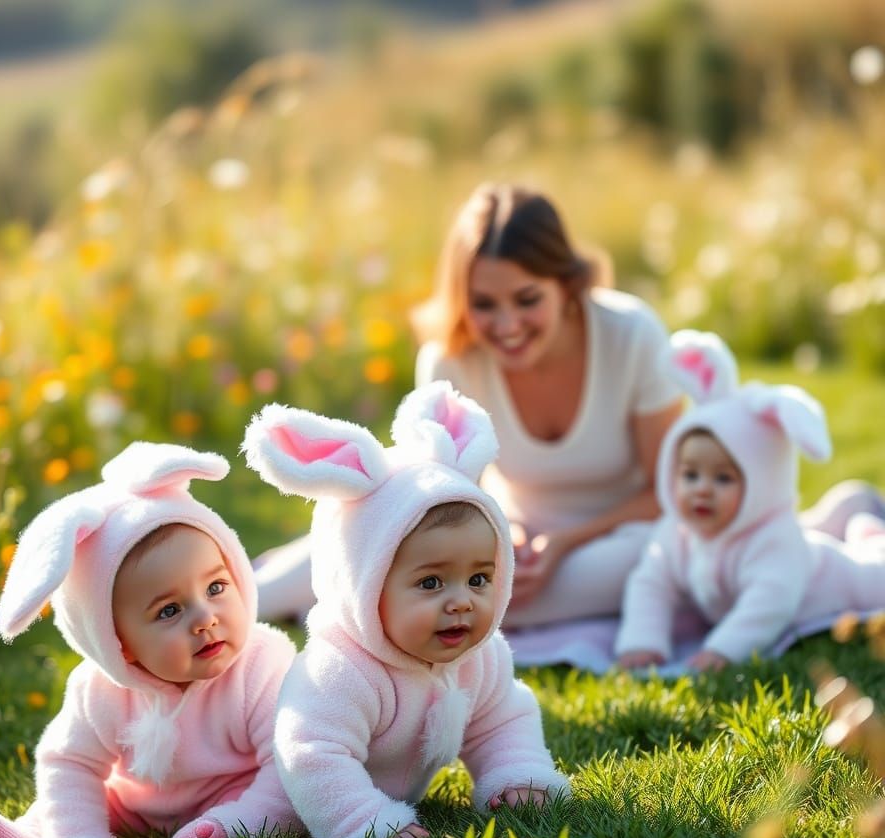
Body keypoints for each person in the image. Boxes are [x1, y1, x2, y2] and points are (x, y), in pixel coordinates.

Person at [253, 182, 684, 626]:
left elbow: (670, 489)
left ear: (568, 284)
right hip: (504, 534)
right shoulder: (449, 359)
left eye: (527, 299)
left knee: (641, 565)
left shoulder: (631, 335)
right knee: (382, 538)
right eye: (483, 304)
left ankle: (346, 603)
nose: (507, 325)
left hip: (622, 535)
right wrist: (502, 537)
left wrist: (566, 542)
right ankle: (252, 597)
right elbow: (444, 498)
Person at [243, 381, 569, 838]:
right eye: (432, 583)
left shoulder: (481, 656)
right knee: (265, 817)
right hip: (291, 784)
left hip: (385, 785)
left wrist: (515, 772)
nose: (461, 602)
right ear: (364, 582)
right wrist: (363, 821)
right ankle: (225, 825)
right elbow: (310, 754)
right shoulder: (339, 669)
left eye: (479, 579)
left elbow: (500, 718)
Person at [0, 442, 299, 838]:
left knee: (279, 788)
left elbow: (289, 763)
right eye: (169, 611)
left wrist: (240, 820)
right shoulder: (99, 689)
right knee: (70, 800)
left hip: (233, 794)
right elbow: (69, 761)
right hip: (134, 803)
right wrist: (80, 837)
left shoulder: (262, 665)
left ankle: (228, 835)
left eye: (215, 588)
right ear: (118, 643)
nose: (205, 619)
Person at [616, 331, 885, 672]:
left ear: (761, 483)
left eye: (723, 478)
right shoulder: (676, 533)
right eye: (690, 475)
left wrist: (723, 650)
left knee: (876, 578)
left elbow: (769, 604)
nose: (702, 489)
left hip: (830, 580)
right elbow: (650, 583)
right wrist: (642, 640)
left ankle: (870, 537)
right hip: (787, 572)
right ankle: (861, 524)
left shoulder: (774, 539)